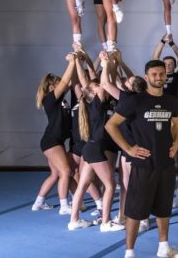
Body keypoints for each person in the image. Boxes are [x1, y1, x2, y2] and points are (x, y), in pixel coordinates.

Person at [105, 60, 178, 258]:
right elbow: (111, 125)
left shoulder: (171, 101)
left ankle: (164, 248)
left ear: (165, 76)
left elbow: (176, 123)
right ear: (147, 77)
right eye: (154, 74)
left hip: (166, 164)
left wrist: (176, 142)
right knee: (135, 210)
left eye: (161, 74)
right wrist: (128, 149)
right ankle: (129, 252)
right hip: (143, 164)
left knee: (164, 208)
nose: (159, 77)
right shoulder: (135, 101)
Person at [68, 51, 125, 232]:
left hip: (92, 148)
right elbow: (96, 84)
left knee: (83, 184)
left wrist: (112, 63)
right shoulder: (95, 103)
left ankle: (74, 220)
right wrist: (105, 62)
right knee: (110, 185)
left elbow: (102, 83)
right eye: (97, 86)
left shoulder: (99, 103)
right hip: (95, 148)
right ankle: (106, 222)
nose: (101, 86)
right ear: (93, 93)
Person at [34, 53, 78, 214]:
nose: (62, 87)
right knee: (66, 172)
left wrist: (79, 61)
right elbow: (66, 81)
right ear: (52, 87)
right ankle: (64, 206)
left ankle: (38, 203)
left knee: (55, 174)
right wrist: (71, 62)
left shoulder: (59, 100)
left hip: (53, 141)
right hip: (52, 141)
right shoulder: (50, 99)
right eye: (59, 84)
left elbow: (70, 81)